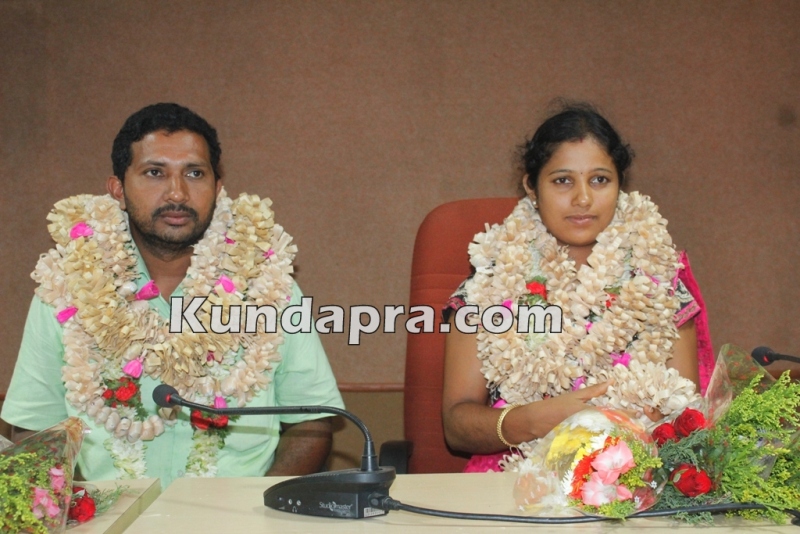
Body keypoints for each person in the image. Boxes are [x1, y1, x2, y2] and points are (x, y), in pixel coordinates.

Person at [1, 103, 344, 486]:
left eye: (194, 173)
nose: (177, 193)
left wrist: (259, 512)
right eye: (155, 173)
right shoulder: (67, 286)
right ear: (118, 188)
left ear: (217, 187)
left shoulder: (269, 284)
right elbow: (34, 431)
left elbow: (311, 426)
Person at [442, 103, 708, 472]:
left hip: (633, 483)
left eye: (599, 179)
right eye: (562, 180)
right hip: (512, 482)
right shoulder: (488, 281)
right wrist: (533, 420)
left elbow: (686, 419)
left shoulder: (660, 281)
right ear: (531, 187)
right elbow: (456, 426)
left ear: (620, 185)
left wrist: (637, 422)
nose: (582, 198)